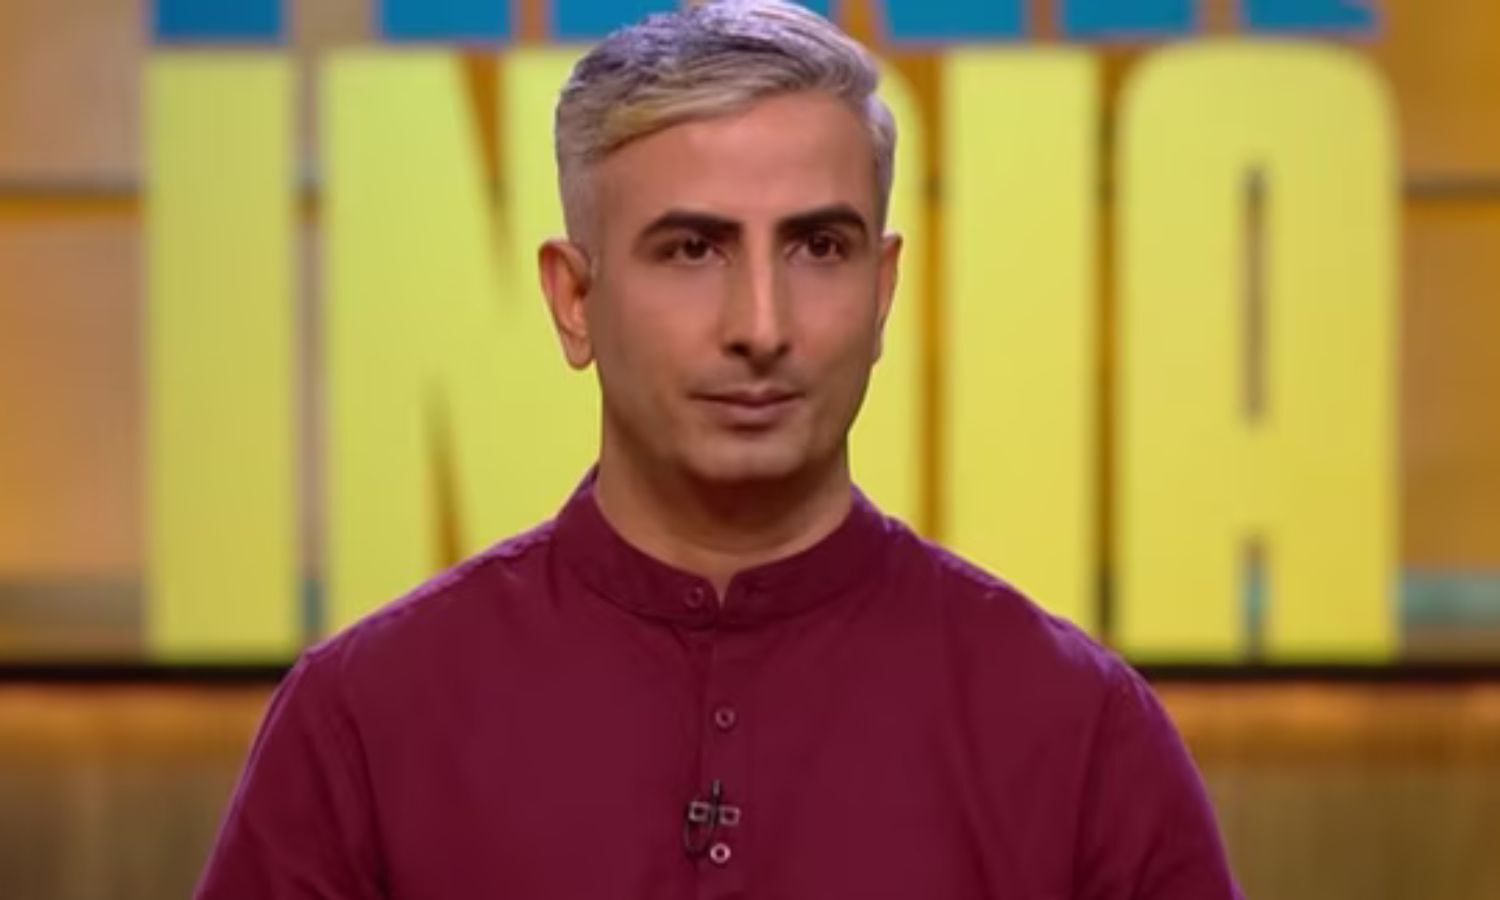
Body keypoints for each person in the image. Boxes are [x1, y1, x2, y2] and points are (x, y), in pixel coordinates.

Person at [196, 2, 1243, 897]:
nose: (761, 325)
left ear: (882, 292)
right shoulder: (365, 723)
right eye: (693, 249)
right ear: (574, 299)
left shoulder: (1078, 732)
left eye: (818, 247)